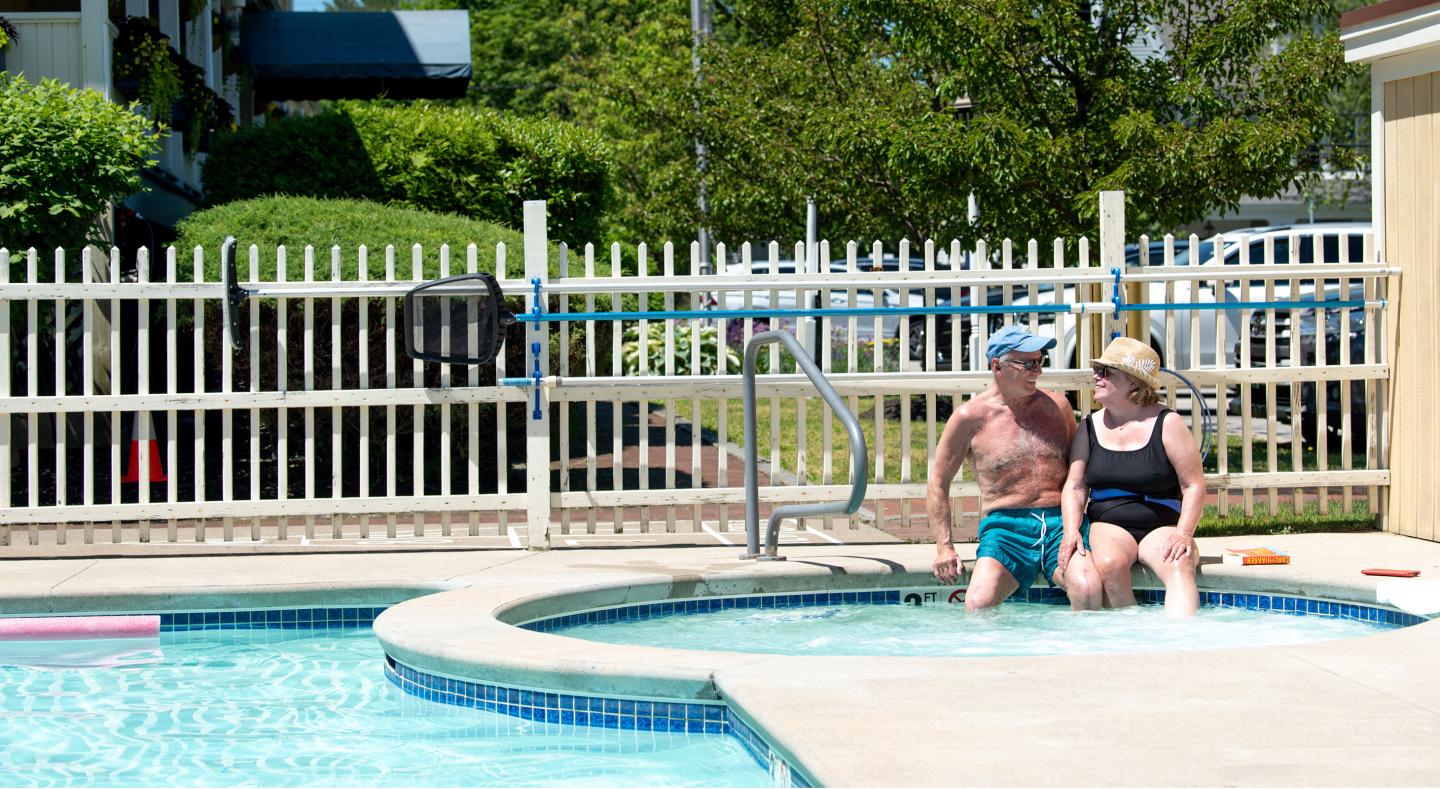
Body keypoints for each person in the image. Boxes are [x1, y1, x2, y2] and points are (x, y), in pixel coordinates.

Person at [928, 325, 1101, 611]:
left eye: (1041, 360)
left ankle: (1078, 655)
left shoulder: (1058, 407)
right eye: (1029, 363)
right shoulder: (970, 417)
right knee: (978, 603)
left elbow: (1077, 472)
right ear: (997, 366)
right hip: (1006, 527)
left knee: (1087, 587)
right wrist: (944, 547)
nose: (1038, 371)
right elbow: (938, 482)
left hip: (1061, 521)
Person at [1058, 336, 1205, 617]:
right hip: (1109, 524)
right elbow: (1075, 486)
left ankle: (1185, 641)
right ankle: (1131, 640)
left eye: (1106, 372)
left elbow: (1193, 485)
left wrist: (1184, 533)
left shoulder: (1168, 423)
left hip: (1161, 524)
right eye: (1098, 370)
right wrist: (1071, 530)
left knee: (1179, 564)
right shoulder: (1088, 427)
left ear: (1133, 383)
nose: (1096, 377)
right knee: (1109, 565)